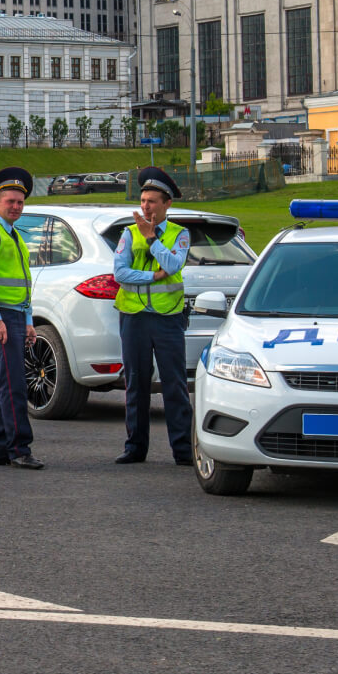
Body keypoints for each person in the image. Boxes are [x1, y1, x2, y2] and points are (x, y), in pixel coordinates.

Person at [112, 167, 193, 465]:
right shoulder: (128, 232)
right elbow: (119, 272)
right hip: (133, 317)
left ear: (167, 204)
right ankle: (135, 446)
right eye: (143, 200)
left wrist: (151, 239)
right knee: (135, 383)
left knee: (174, 384)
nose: (145, 206)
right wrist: (152, 274)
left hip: (167, 317)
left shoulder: (179, 234)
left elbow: (173, 265)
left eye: (152, 201)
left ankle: (183, 450)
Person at [0, 167, 44, 470]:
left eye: (20, 202)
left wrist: (27, 320)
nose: (16, 206)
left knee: (4, 382)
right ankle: (19, 448)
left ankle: (0, 449)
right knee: (14, 384)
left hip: (14, 316)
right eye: (10, 201)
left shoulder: (12, 234)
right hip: (0, 317)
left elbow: (23, 283)